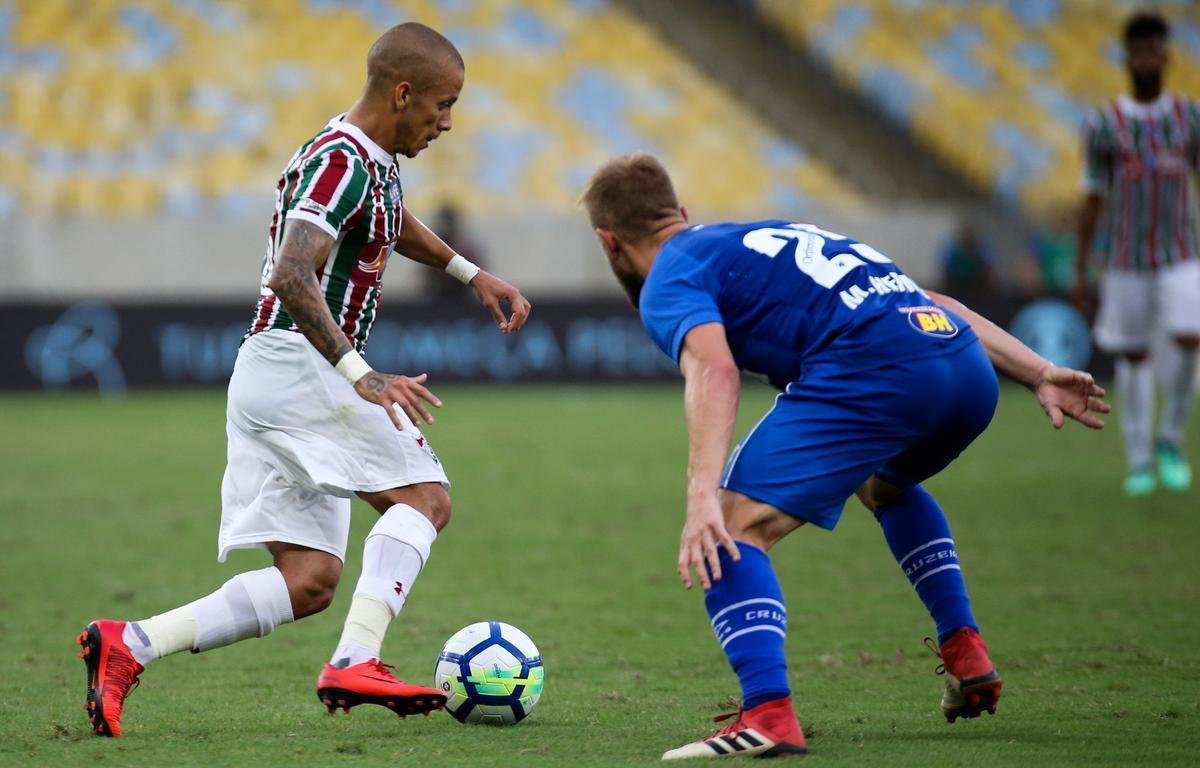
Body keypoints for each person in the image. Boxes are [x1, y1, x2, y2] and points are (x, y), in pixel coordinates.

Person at [76, 22, 532, 738]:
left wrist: (468, 273)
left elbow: (385, 219)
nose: (447, 122)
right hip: (302, 367)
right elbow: (293, 272)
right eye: (442, 105)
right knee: (426, 499)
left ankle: (128, 644)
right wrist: (360, 373)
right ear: (403, 92)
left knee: (310, 581)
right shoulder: (341, 160)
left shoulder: (365, 158)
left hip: (275, 374)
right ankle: (357, 658)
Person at [580, 153, 1108, 760]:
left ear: (609, 242)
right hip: (963, 369)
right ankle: (965, 649)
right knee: (883, 484)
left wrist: (701, 496)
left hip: (879, 369)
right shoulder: (756, 236)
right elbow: (930, 298)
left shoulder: (670, 276)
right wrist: (1038, 371)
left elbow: (713, 367)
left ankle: (768, 716)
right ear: (683, 213)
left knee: (727, 530)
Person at [1075, 11, 1200, 497]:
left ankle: (1170, 438)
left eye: (1155, 50)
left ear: (1168, 55)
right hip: (1125, 258)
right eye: (1139, 51)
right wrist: (1082, 264)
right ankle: (1141, 458)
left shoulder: (1189, 119)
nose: (1148, 59)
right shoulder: (1106, 125)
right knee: (1133, 355)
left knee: (1191, 335)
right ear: (1127, 58)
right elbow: (1092, 196)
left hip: (1181, 252)